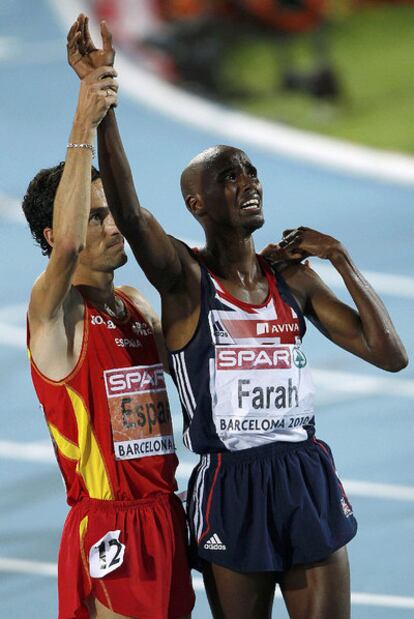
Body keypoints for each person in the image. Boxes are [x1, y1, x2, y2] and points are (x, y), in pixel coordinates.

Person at [69, 15, 408, 619]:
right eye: (230, 176)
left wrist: (342, 258)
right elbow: (127, 204)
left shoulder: (292, 278)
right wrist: (105, 102)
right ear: (197, 204)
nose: (248, 182)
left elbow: (391, 355)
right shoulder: (184, 281)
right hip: (231, 482)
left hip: (306, 472)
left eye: (251, 171)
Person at [23, 19, 195, 619]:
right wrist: (82, 120)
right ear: (53, 233)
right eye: (95, 216)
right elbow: (68, 250)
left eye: (108, 213)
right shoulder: (54, 317)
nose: (111, 224)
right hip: (109, 527)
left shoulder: (137, 307)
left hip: (167, 517)